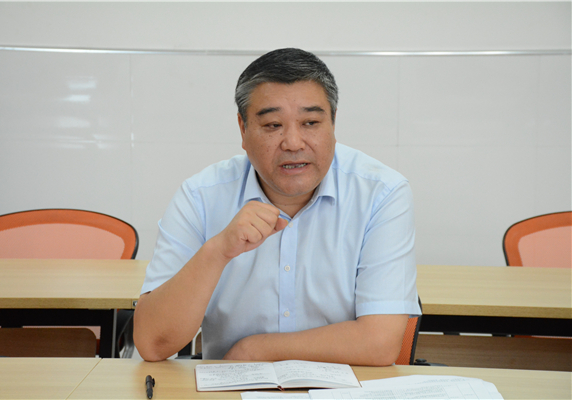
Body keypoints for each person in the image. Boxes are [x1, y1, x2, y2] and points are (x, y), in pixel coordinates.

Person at [134, 48, 421, 365]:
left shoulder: (381, 193)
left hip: (345, 387)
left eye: (310, 122)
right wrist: (217, 251)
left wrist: (256, 350)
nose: (293, 143)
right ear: (243, 129)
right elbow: (152, 343)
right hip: (235, 388)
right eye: (273, 125)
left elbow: (380, 342)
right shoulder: (200, 197)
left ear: (333, 122)